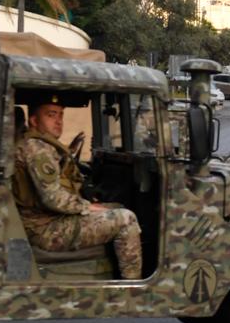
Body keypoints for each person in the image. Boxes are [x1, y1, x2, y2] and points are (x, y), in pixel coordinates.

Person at [12, 91, 142, 279]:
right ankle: (133, 288)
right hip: (46, 230)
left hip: (46, 222)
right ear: (33, 120)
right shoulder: (37, 149)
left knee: (116, 207)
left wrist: (91, 203)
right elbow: (53, 199)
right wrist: (87, 207)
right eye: (50, 115)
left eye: (60, 115)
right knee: (126, 219)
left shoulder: (41, 145)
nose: (58, 121)